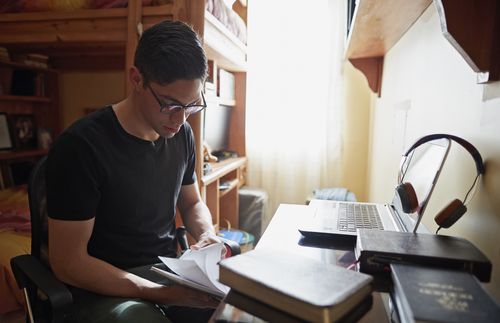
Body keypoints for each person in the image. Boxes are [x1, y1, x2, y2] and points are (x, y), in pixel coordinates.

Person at [46, 20, 221, 322]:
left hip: (164, 272)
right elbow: (68, 263)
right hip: (101, 287)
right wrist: (155, 292)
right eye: (170, 105)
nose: (180, 120)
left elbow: (192, 202)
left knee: (241, 308)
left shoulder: (182, 136)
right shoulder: (81, 147)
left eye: (191, 105)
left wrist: (206, 233)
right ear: (136, 79)